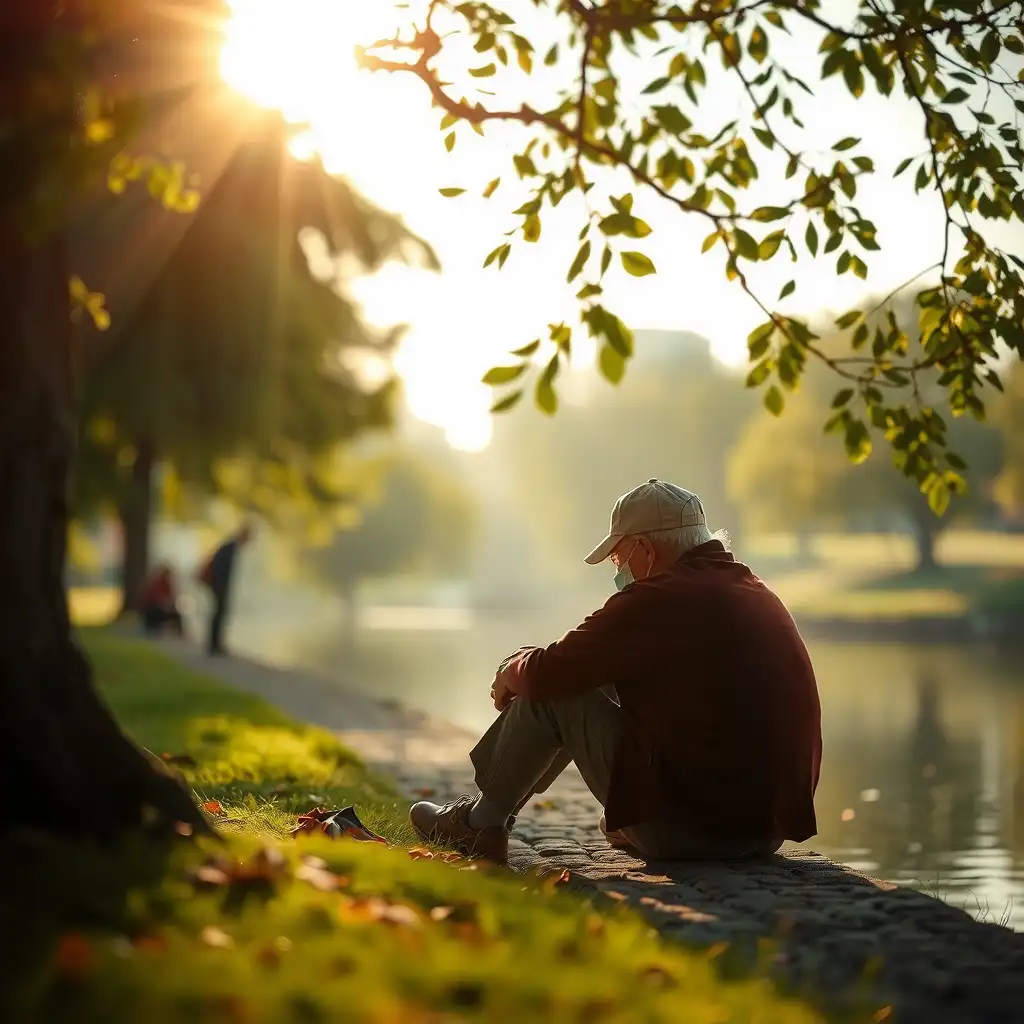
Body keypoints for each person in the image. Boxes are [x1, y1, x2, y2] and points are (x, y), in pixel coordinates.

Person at [410, 479, 822, 863]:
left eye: (618, 554)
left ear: (645, 549)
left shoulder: (658, 598)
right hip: (764, 834)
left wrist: (509, 668)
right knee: (594, 672)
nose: (616, 567)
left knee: (557, 692)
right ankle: (638, 815)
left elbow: (547, 674)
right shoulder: (755, 592)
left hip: (693, 834)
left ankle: (479, 824)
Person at [197, 522, 252, 656]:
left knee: (219, 613)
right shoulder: (230, 548)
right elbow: (221, 568)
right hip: (218, 584)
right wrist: (221, 585)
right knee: (219, 613)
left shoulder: (230, 547)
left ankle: (215, 644)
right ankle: (215, 645)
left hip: (219, 584)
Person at [140, 563, 185, 637]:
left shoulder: (167, 584)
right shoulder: (156, 583)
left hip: (162, 608)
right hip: (153, 609)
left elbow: (171, 598)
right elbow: (153, 598)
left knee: (176, 614)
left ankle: (179, 633)